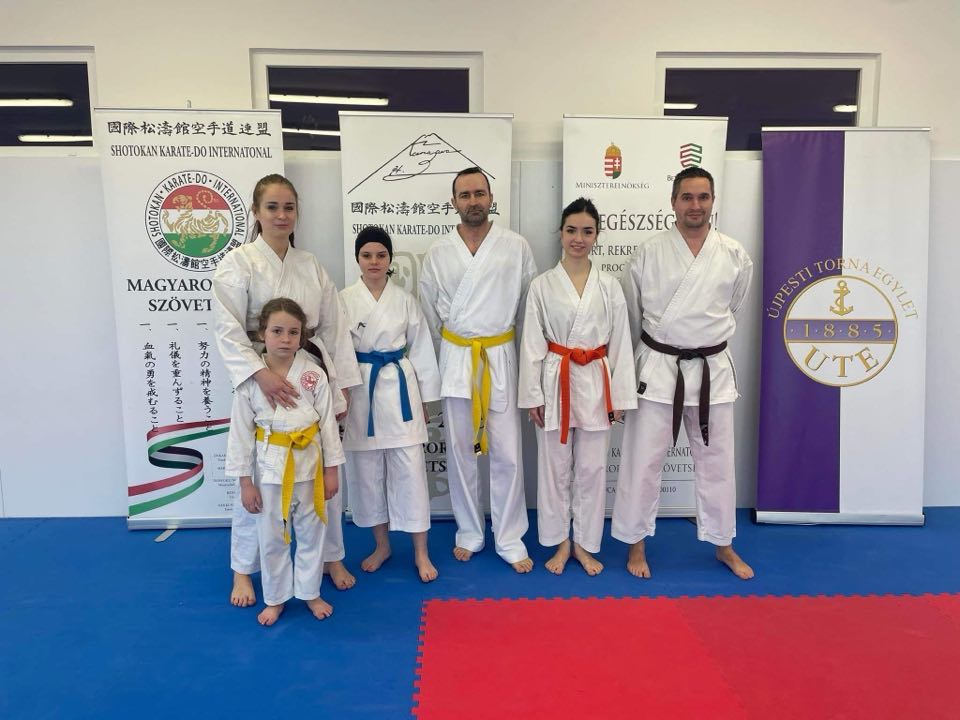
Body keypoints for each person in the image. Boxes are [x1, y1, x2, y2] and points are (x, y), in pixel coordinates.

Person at [212, 173, 362, 608]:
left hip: (309, 372)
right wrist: (259, 372)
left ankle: (330, 558)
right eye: (272, 207)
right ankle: (243, 570)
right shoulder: (238, 263)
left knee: (322, 475)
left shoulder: (309, 264)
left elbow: (334, 327)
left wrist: (340, 386)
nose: (281, 215)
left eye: (289, 207)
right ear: (256, 212)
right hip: (260, 375)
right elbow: (226, 327)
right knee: (260, 483)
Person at [612, 166, 755, 580]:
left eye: (703, 197)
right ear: (673, 202)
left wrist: (702, 338)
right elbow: (634, 313)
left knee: (718, 462)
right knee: (643, 461)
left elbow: (734, 306)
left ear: (713, 201)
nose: (695, 205)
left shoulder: (733, 254)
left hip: (713, 371)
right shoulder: (648, 252)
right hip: (659, 369)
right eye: (687, 197)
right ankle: (636, 544)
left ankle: (723, 544)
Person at [419, 167, 537, 573]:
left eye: (479, 193)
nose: (473, 201)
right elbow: (428, 312)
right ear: (453, 202)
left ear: (491, 197)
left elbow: (527, 308)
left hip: (499, 354)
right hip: (457, 356)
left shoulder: (516, 246)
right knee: (460, 452)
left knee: (507, 453)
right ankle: (469, 532)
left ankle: (509, 536)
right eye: (465, 195)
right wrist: (446, 355)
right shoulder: (438, 252)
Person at [519, 198, 637, 575]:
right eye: (571, 230)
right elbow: (532, 343)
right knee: (553, 467)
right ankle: (560, 542)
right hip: (556, 379)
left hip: (597, 381)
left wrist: (620, 396)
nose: (578, 238)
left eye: (587, 231)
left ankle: (585, 544)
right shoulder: (542, 285)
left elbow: (620, 342)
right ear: (560, 233)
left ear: (597, 236)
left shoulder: (610, 287)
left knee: (592, 468)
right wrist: (533, 395)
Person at [224, 298, 345, 625]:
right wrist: (245, 483)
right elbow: (240, 435)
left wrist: (332, 471)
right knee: (272, 538)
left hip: (311, 468)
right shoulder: (250, 381)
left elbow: (328, 427)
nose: (285, 339)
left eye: (293, 332)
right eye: (277, 331)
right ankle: (275, 598)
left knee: (312, 533)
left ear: (302, 337)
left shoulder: (314, 375)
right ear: (262, 333)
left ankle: (310, 592)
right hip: (270, 471)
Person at [340, 227, 441, 583]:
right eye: (367, 255)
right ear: (357, 258)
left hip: (399, 388)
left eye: (381, 255)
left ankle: (421, 552)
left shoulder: (405, 300)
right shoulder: (344, 300)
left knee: (411, 472)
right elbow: (339, 352)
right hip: (361, 390)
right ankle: (381, 545)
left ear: (390, 259)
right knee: (367, 475)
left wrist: (426, 398)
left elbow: (422, 347)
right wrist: (341, 396)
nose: (374, 262)